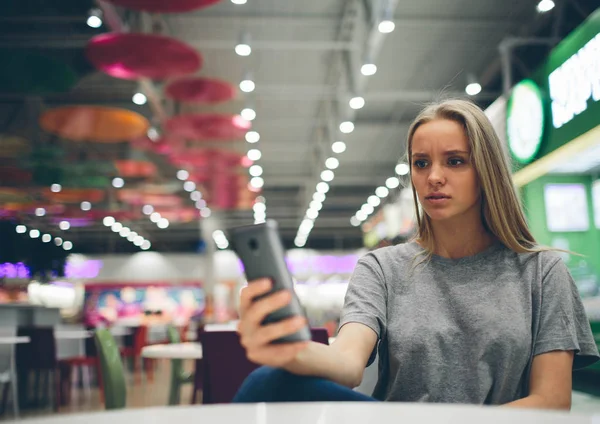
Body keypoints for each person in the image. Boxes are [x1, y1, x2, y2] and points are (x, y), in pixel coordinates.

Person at [232, 99, 599, 409]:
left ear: (486, 171)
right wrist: (294, 352)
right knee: (268, 381)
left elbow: (552, 400)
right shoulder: (382, 268)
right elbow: (348, 361)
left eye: (455, 161)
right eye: (421, 163)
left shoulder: (541, 271)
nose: (433, 177)